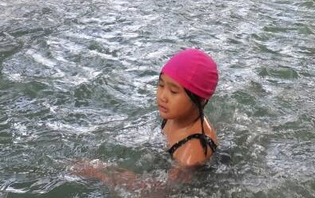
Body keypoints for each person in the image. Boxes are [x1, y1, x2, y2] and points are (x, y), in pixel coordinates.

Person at [72, 48, 220, 189]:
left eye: (173, 91)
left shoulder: (192, 151)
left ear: (201, 100)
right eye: (161, 85)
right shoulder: (175, 115)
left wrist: (103, 174)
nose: (162, 96)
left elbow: (160, 194)